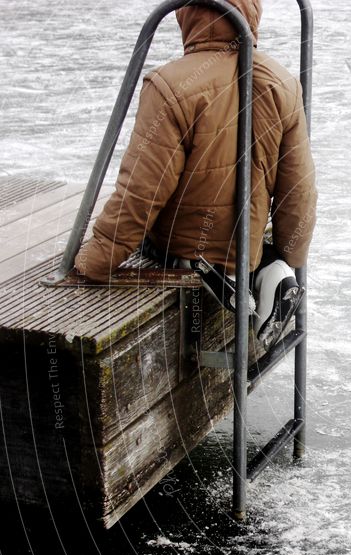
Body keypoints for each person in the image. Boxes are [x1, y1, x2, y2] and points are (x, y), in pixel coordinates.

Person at [75, 0, 316, 351]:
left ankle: (200, 265)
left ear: (187, 13)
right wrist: (287, 256)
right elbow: (299, 191)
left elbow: (140, 194)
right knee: (252, 236)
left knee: (149, 239)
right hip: (243, 248)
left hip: (187, 249)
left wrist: (93, 261)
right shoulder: (283, 83)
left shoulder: (170, 85)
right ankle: (269, 271)